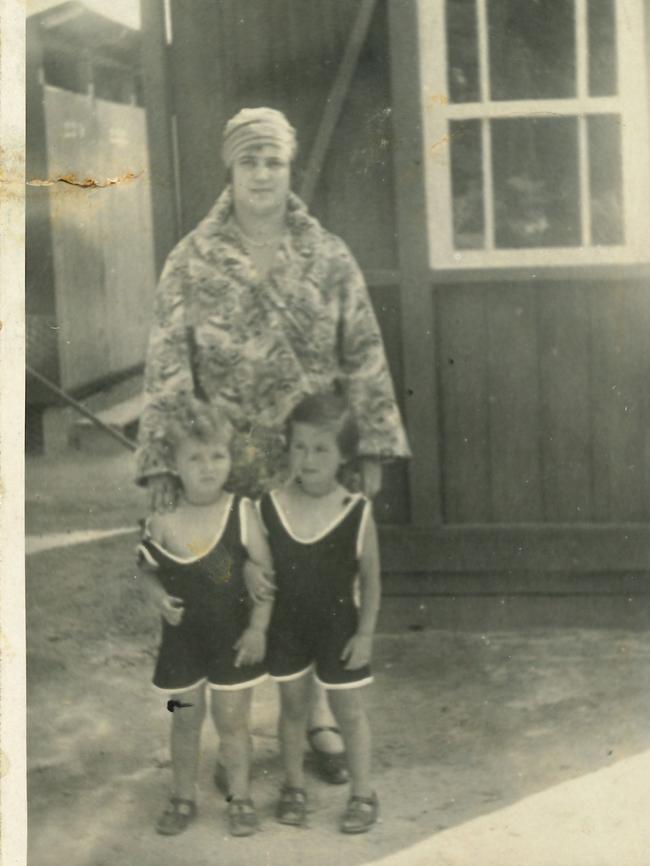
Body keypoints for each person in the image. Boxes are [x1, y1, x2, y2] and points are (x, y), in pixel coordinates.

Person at [136, 106, 410, 782]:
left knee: (309, 588)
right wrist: (163, 469)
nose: (262, 174)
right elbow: (167, 364)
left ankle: (313, 719)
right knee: (228, 590)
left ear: (289, 170)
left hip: (306, 462)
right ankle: (233, 728)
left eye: (274, 161)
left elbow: (363, 350)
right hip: (219, 464)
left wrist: (369, 446)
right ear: (229, 169)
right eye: (249, 160)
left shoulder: (328, 254)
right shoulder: (192, 259)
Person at [245, 391, 381, 833]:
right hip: (288, 629)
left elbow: (373, 581)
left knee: (349, 712)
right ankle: (293, 786)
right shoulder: (270, 506)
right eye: (299, 446)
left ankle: (363, 793)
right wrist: (249, 568)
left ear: (344, 455)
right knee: (293, 709)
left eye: (321, 448)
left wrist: (364, 635)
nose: (307, 458)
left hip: (338, 631)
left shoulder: (355, 510)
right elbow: (253, 558)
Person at [136, 397, 272, 838]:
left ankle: (241, 798)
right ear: (174, 464)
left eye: (218, 455)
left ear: (231, 457)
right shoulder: (163, 520)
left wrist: (257, 627)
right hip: (183, 642)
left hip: (233, 639)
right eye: (195, 457)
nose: (208, 466)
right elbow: (147, 570)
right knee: (185, 718)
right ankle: (182, 797)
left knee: (232, 723)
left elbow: (266, 576)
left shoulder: (242, 511)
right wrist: (158, 598)